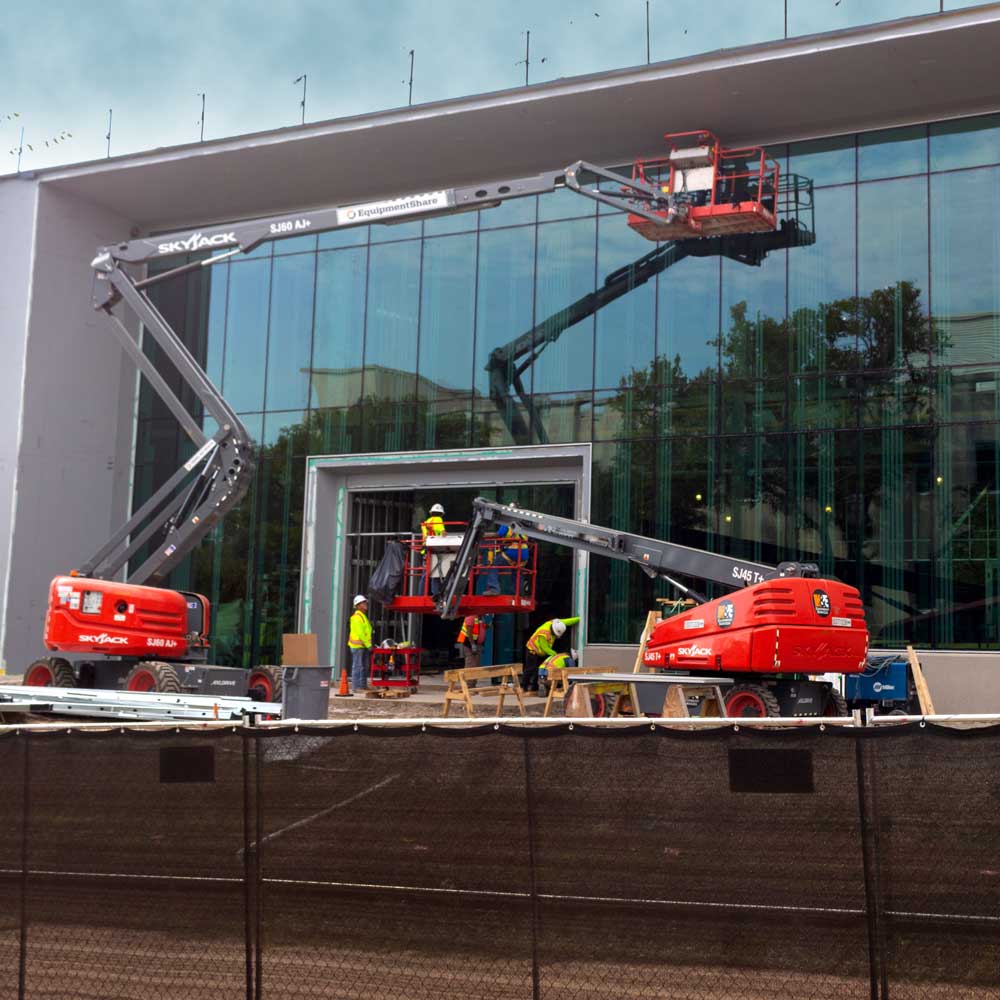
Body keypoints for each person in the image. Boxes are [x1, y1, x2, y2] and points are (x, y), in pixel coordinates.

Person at [523, 616, 579, 693]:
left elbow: (568, 621)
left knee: (539, 668)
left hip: (541, 653)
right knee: (530, 668)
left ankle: (535, 687)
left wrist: (580, 619)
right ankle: (524, 686)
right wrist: (554, 654)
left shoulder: (557, 623)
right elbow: (544, 647)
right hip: (532, 650)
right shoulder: (544, 632)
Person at [483, 523, 530, 595]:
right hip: (524, 553)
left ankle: (494, 589)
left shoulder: (507, 523)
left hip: (513, 550)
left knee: (494, 565)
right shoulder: (523, 525)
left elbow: (499, 534)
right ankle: (517, 593)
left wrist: (483, 535)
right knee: (517, 571)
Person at [348, 594, 373, 694]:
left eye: (365, 602)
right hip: (358, 646)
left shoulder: (362, 617)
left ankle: (363, 686)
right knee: (358, 666)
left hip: (363, 646)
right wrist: (368, 645)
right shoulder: (357, 617)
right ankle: (356, 687)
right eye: (363, 603)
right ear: (358, 605)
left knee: (364, 666)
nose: (365, 604)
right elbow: (361, 633)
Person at [420, 503, 446, 595]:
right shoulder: (438, 520)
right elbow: (443, 533)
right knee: (436, 573)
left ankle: (421, 593)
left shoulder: (426, 522)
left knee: (425, 573)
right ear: (441, 513)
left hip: (426, 550)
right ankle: (435, 593)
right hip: (435, 549)